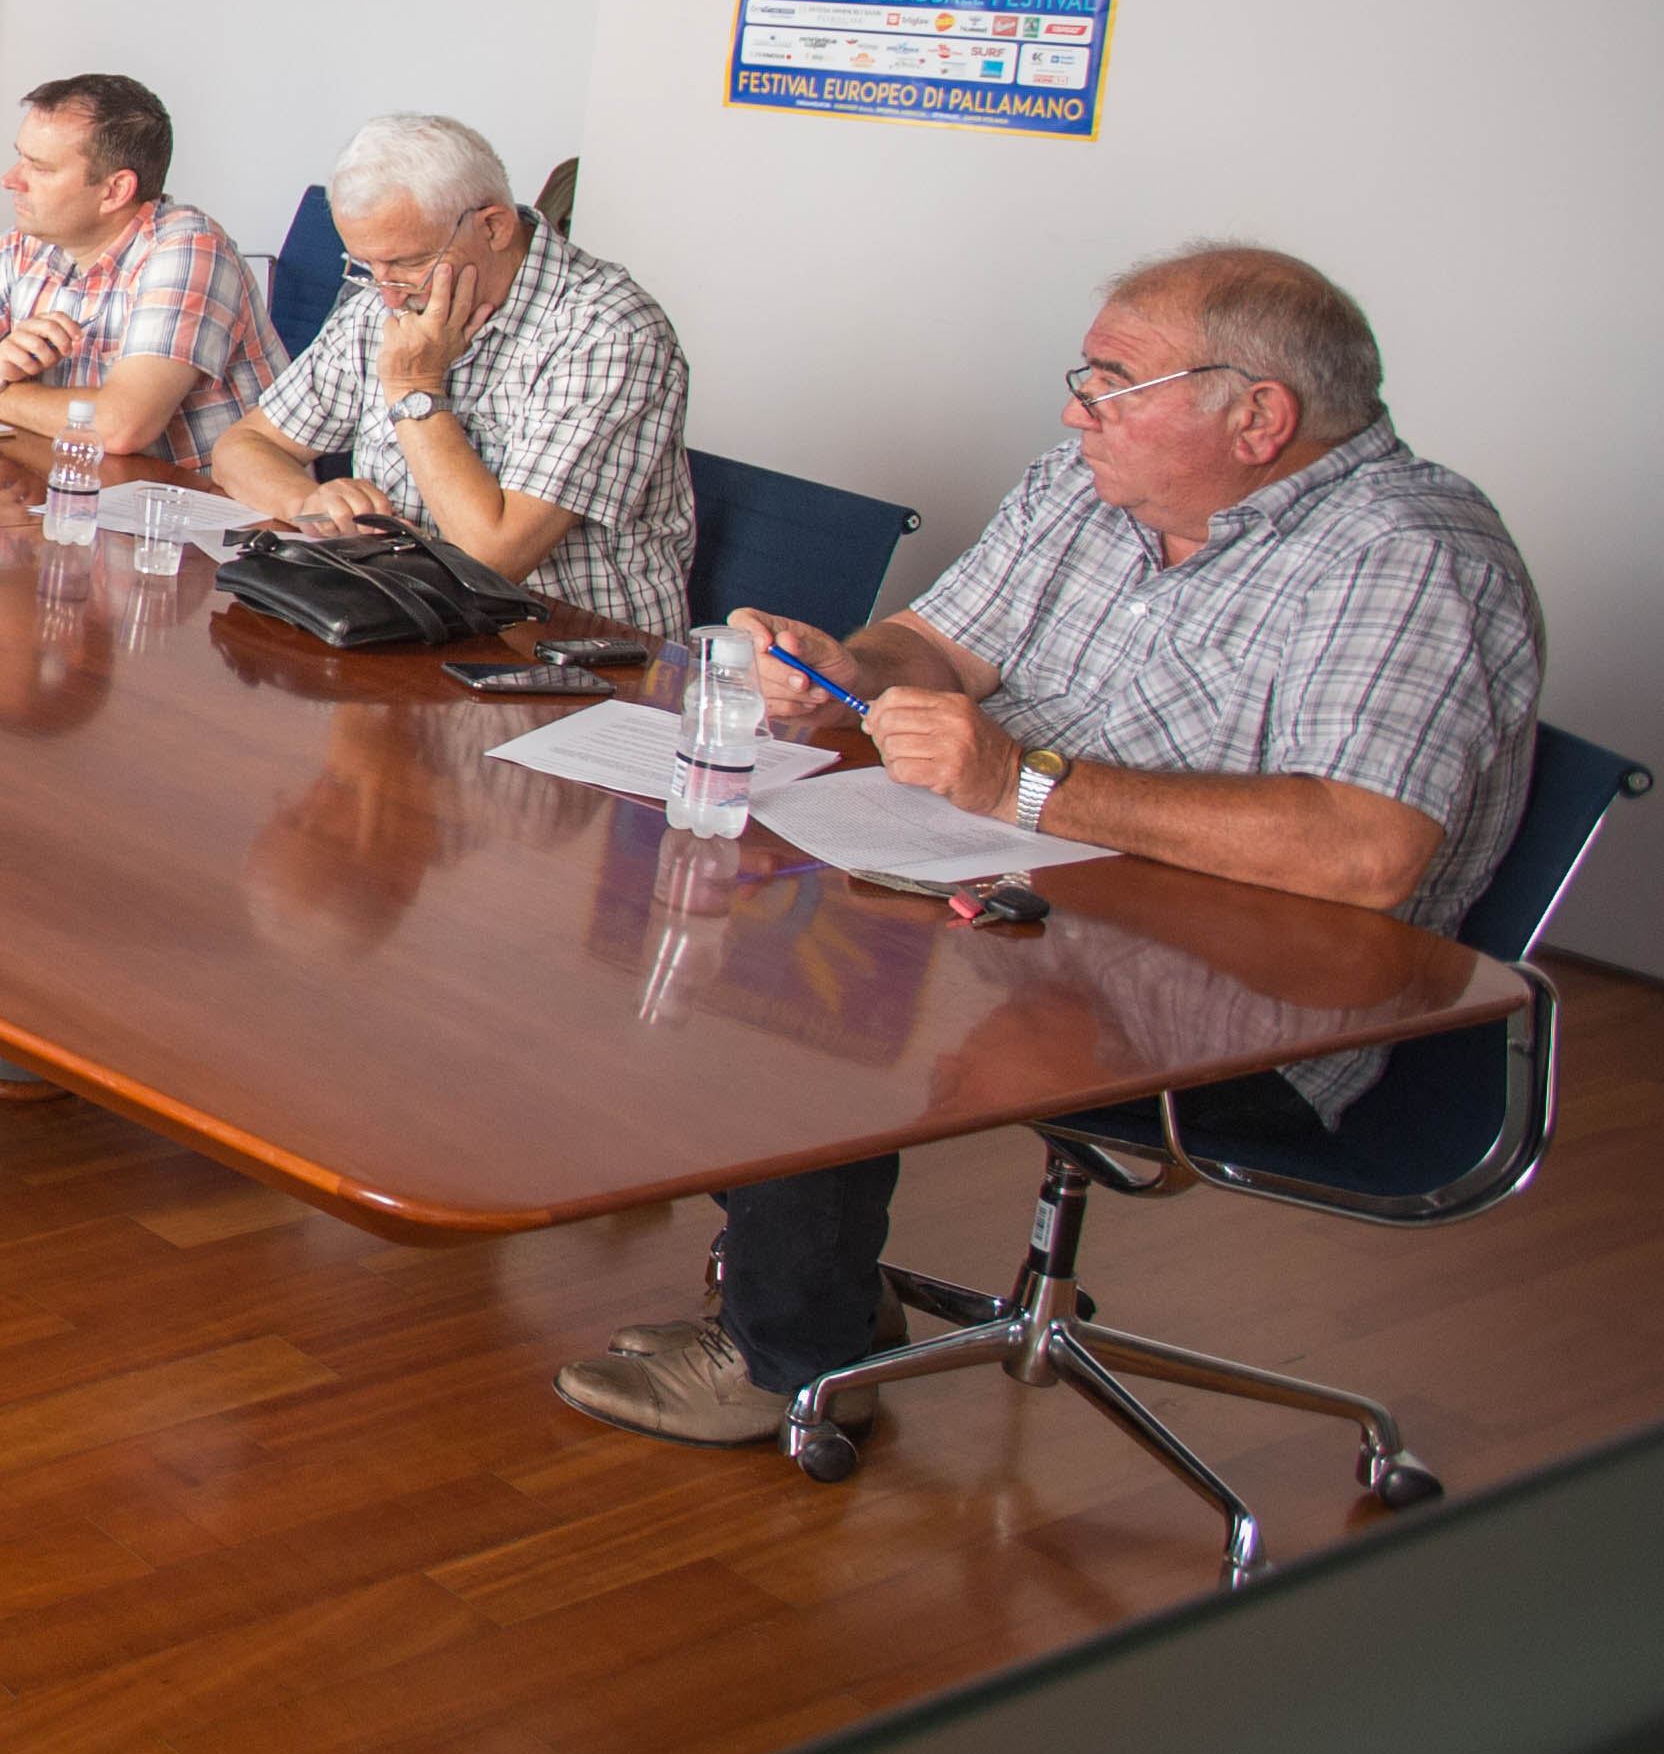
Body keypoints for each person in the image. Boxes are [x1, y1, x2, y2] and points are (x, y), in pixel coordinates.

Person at [558, 248, 1544, 1450]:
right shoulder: (1088, 489)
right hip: (1034, 884)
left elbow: (1363, 853)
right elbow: (938, 647)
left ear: (1258, 418)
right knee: (719, 888)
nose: (1079, 413)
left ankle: (793, 1356)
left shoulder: (1408, 554)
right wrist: (846, 667)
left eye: (1113, 384)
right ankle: (815, 1291)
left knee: (823, 979)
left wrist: (1026, 784)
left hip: (1269, 991)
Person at [205, 112, 692, 633]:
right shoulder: (382, 301)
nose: (388, 295)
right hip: (406, 618)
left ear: (493, 227)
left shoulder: (610, 332)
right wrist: (308, 499)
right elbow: (240, 448)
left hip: (569, 646)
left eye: (408, 263)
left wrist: (414, 388)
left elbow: (492, 561)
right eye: (367, 266)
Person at [0, 72, 281, 461]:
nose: (10, 179)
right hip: (76, 480)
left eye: (40, 167)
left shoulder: (189, 249)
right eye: (20, 157)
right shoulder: (28, 243)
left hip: (191, 500)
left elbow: (119, 426)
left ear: (114, 191)